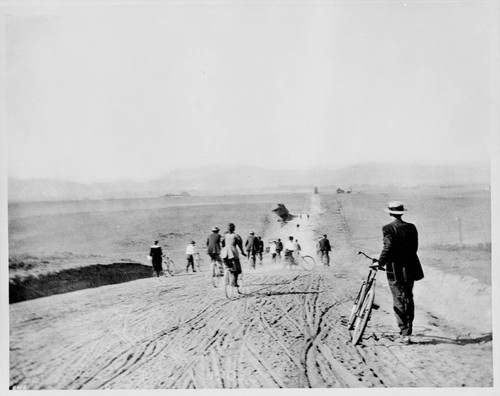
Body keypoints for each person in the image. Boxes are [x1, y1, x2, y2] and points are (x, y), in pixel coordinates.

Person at [374, 201, 424, 344]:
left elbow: (388, 247)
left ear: (390, 213)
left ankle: (404, 333)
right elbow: (415, 248)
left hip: (395, 268)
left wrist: (380, 262)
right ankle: (409, 330)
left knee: (398, 298)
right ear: (401, 213)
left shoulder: (388, 228)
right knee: (408, 297)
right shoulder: (411, 227)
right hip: (410, 267)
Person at [221, 223, 247, 287]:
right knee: (237, 268)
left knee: (227, 266)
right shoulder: (236, 236)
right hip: (232, 252)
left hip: (224, 252)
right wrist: (242, 252)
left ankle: (226, 278)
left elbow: (222, 243)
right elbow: (240, 245)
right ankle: (234, 282)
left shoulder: (225, 235)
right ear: (234, 228)